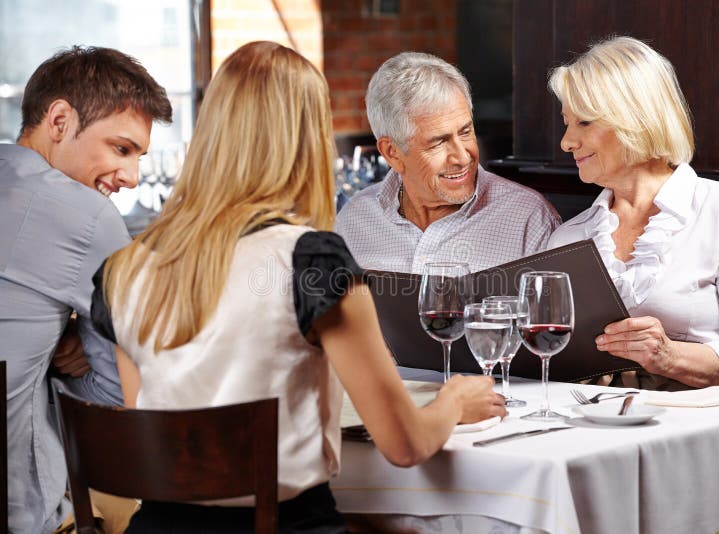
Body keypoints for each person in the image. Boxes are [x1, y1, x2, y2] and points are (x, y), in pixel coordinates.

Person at [91, 41, 506, 533]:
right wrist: (453, 402)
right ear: (309, 135)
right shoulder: (313, 261)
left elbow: (155, 437)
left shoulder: (121, 271)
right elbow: (405, 445)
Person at [547, 36, 719, 391]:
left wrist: (670, 357)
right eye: (567, 123)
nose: (567, 141)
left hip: (695, 428)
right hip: (589, 425)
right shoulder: (568, 237)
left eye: (583, 123)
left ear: (636, 119)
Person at [0, 46, 172, 533]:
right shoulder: (86, 216)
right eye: (121, 149)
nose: (132, 177)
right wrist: (60, 351)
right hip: (23, 513)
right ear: (58, 120)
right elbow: (120, 398)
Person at [334, 52, 560, 274]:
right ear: (392, 153)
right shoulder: (353, 219)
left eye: (465, 132)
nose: (462, 157)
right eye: (438, 142)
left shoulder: (529, 220)